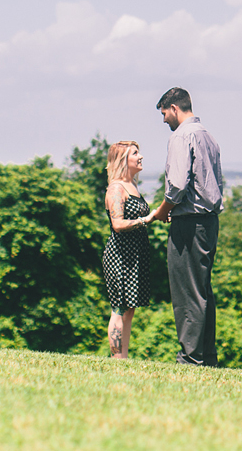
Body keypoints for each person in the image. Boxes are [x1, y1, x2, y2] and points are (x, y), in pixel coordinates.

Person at [147, 87, 224, 366]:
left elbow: (178, 184)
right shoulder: (208, 136)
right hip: (208, 222)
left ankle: (191, 359)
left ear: (175, 108)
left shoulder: (182, 136)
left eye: (164, 113)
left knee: (186, 291)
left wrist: (163, 211)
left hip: (188, 224)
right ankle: (206, 356)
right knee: (202, 289)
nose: (164, 120)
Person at [101, 140, 155, 358]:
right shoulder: (116, 188)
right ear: (124, 160)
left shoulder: (132, 186)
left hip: (135, 255)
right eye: (135, 153)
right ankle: (117, 359)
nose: (140, 157)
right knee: (119, 307)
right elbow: (118, 224)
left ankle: (124, 357)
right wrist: (146, 220)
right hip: (120, 256)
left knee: (129, 308)